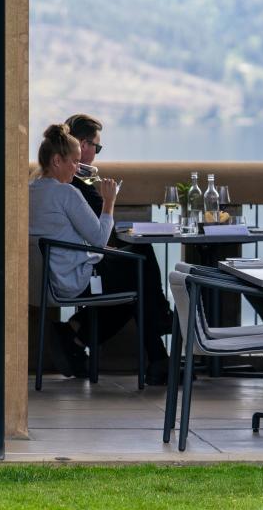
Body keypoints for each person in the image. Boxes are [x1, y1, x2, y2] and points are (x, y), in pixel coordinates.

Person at [28, 123, 170, 384]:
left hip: (45, 281)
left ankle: (77, 337)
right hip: (74, 280)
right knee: (141, 261)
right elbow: (99, 238)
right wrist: (109, 201)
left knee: (134, 285)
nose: (76, 169)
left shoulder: (30, 190)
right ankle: (161, 335)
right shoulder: (65, 192)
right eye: (74, 162)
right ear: (57, 161)